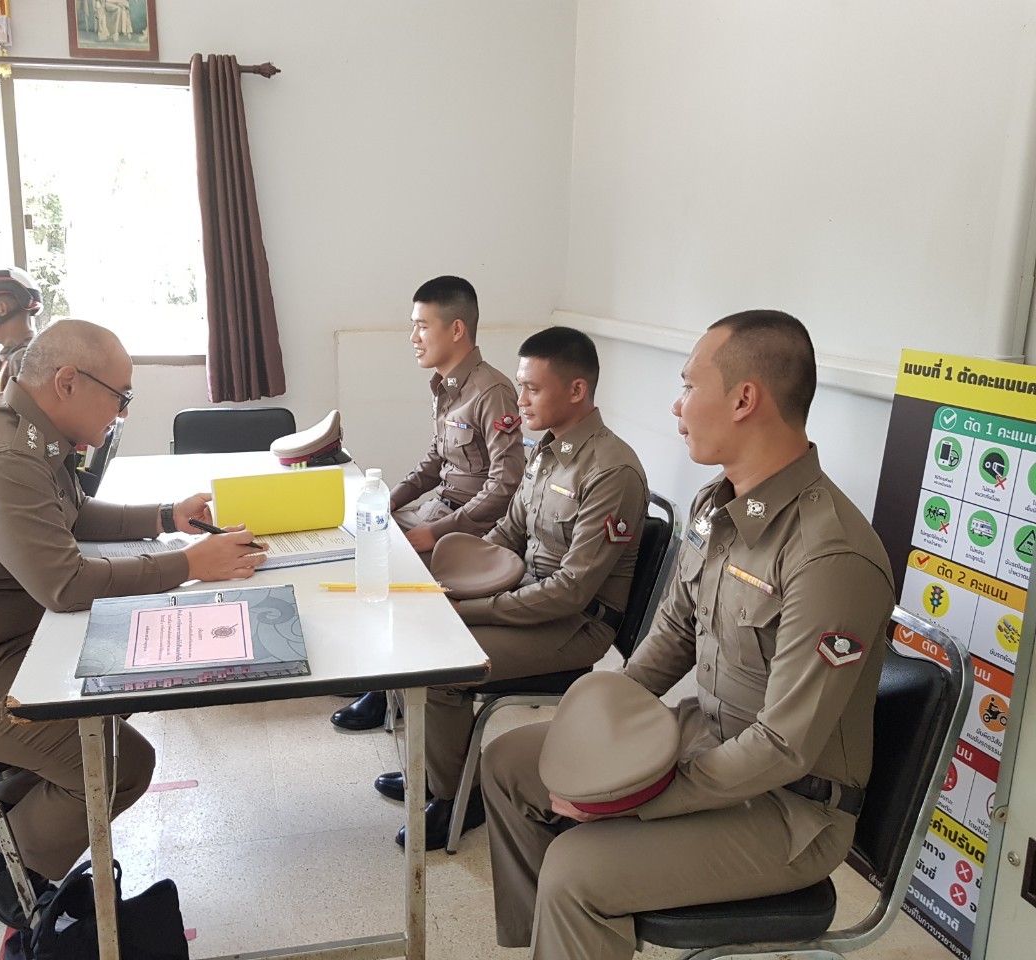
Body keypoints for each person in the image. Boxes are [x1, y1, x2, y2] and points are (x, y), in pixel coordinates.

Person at [481, 310, 896, 960]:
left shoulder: (829, 555)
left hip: (788, 809)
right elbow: (674, 631)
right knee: (510, 764)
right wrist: (601, 730)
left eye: (688, 385)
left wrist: (637, 797)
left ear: (744, 399)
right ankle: (555, 944)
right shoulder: (717, 507)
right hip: (706, 736)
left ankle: (573, 923)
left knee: (576, 868)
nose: (676, 406)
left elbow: (782, 747)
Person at [0, 319, 266, 927]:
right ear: (67, 382)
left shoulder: (26, 429)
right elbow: (65, 586)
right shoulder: (5, 455)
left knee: (124, 680)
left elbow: (74, 514)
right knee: (118, 763)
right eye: (120, 394)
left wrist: (166, 516)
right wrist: (190, 565)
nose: (123, 410)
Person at [376, 325, 648, 850]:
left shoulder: (611, 471)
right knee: (419, 628)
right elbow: (507, 533)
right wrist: (452, 576)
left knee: (440, 668)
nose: (519, 399)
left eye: (532, 388)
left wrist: (473, 608)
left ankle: (458, 800)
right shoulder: (546, 451)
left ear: (577, 390)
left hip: (575, 625)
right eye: (520, 386)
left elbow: (571, 591)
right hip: (531, 598)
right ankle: (439, 777)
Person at [331, 276, 525, 731]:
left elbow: (505, 484)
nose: (413, 337)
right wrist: (384, 503)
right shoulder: (447, 386)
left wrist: (433, 532)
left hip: (474, 525)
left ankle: (388, 690)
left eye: (421, 326)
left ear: (456, 329)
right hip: (442, 508)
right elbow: (435, 462)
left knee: (389, 559)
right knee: (365, 535)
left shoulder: (491, 391)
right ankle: (378, 671)